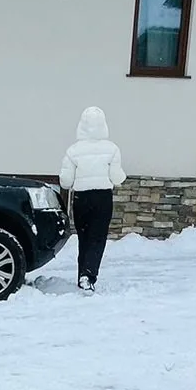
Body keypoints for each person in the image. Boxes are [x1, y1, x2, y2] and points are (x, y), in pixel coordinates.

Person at [59, 106, 125, 292]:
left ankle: (82, 274)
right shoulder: (112, 149)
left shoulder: (73, 151)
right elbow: (117, 177)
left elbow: (65, 181)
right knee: (97, 238)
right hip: (102, 198)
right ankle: (89, 274)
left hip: (81, 198)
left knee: (84, 237)